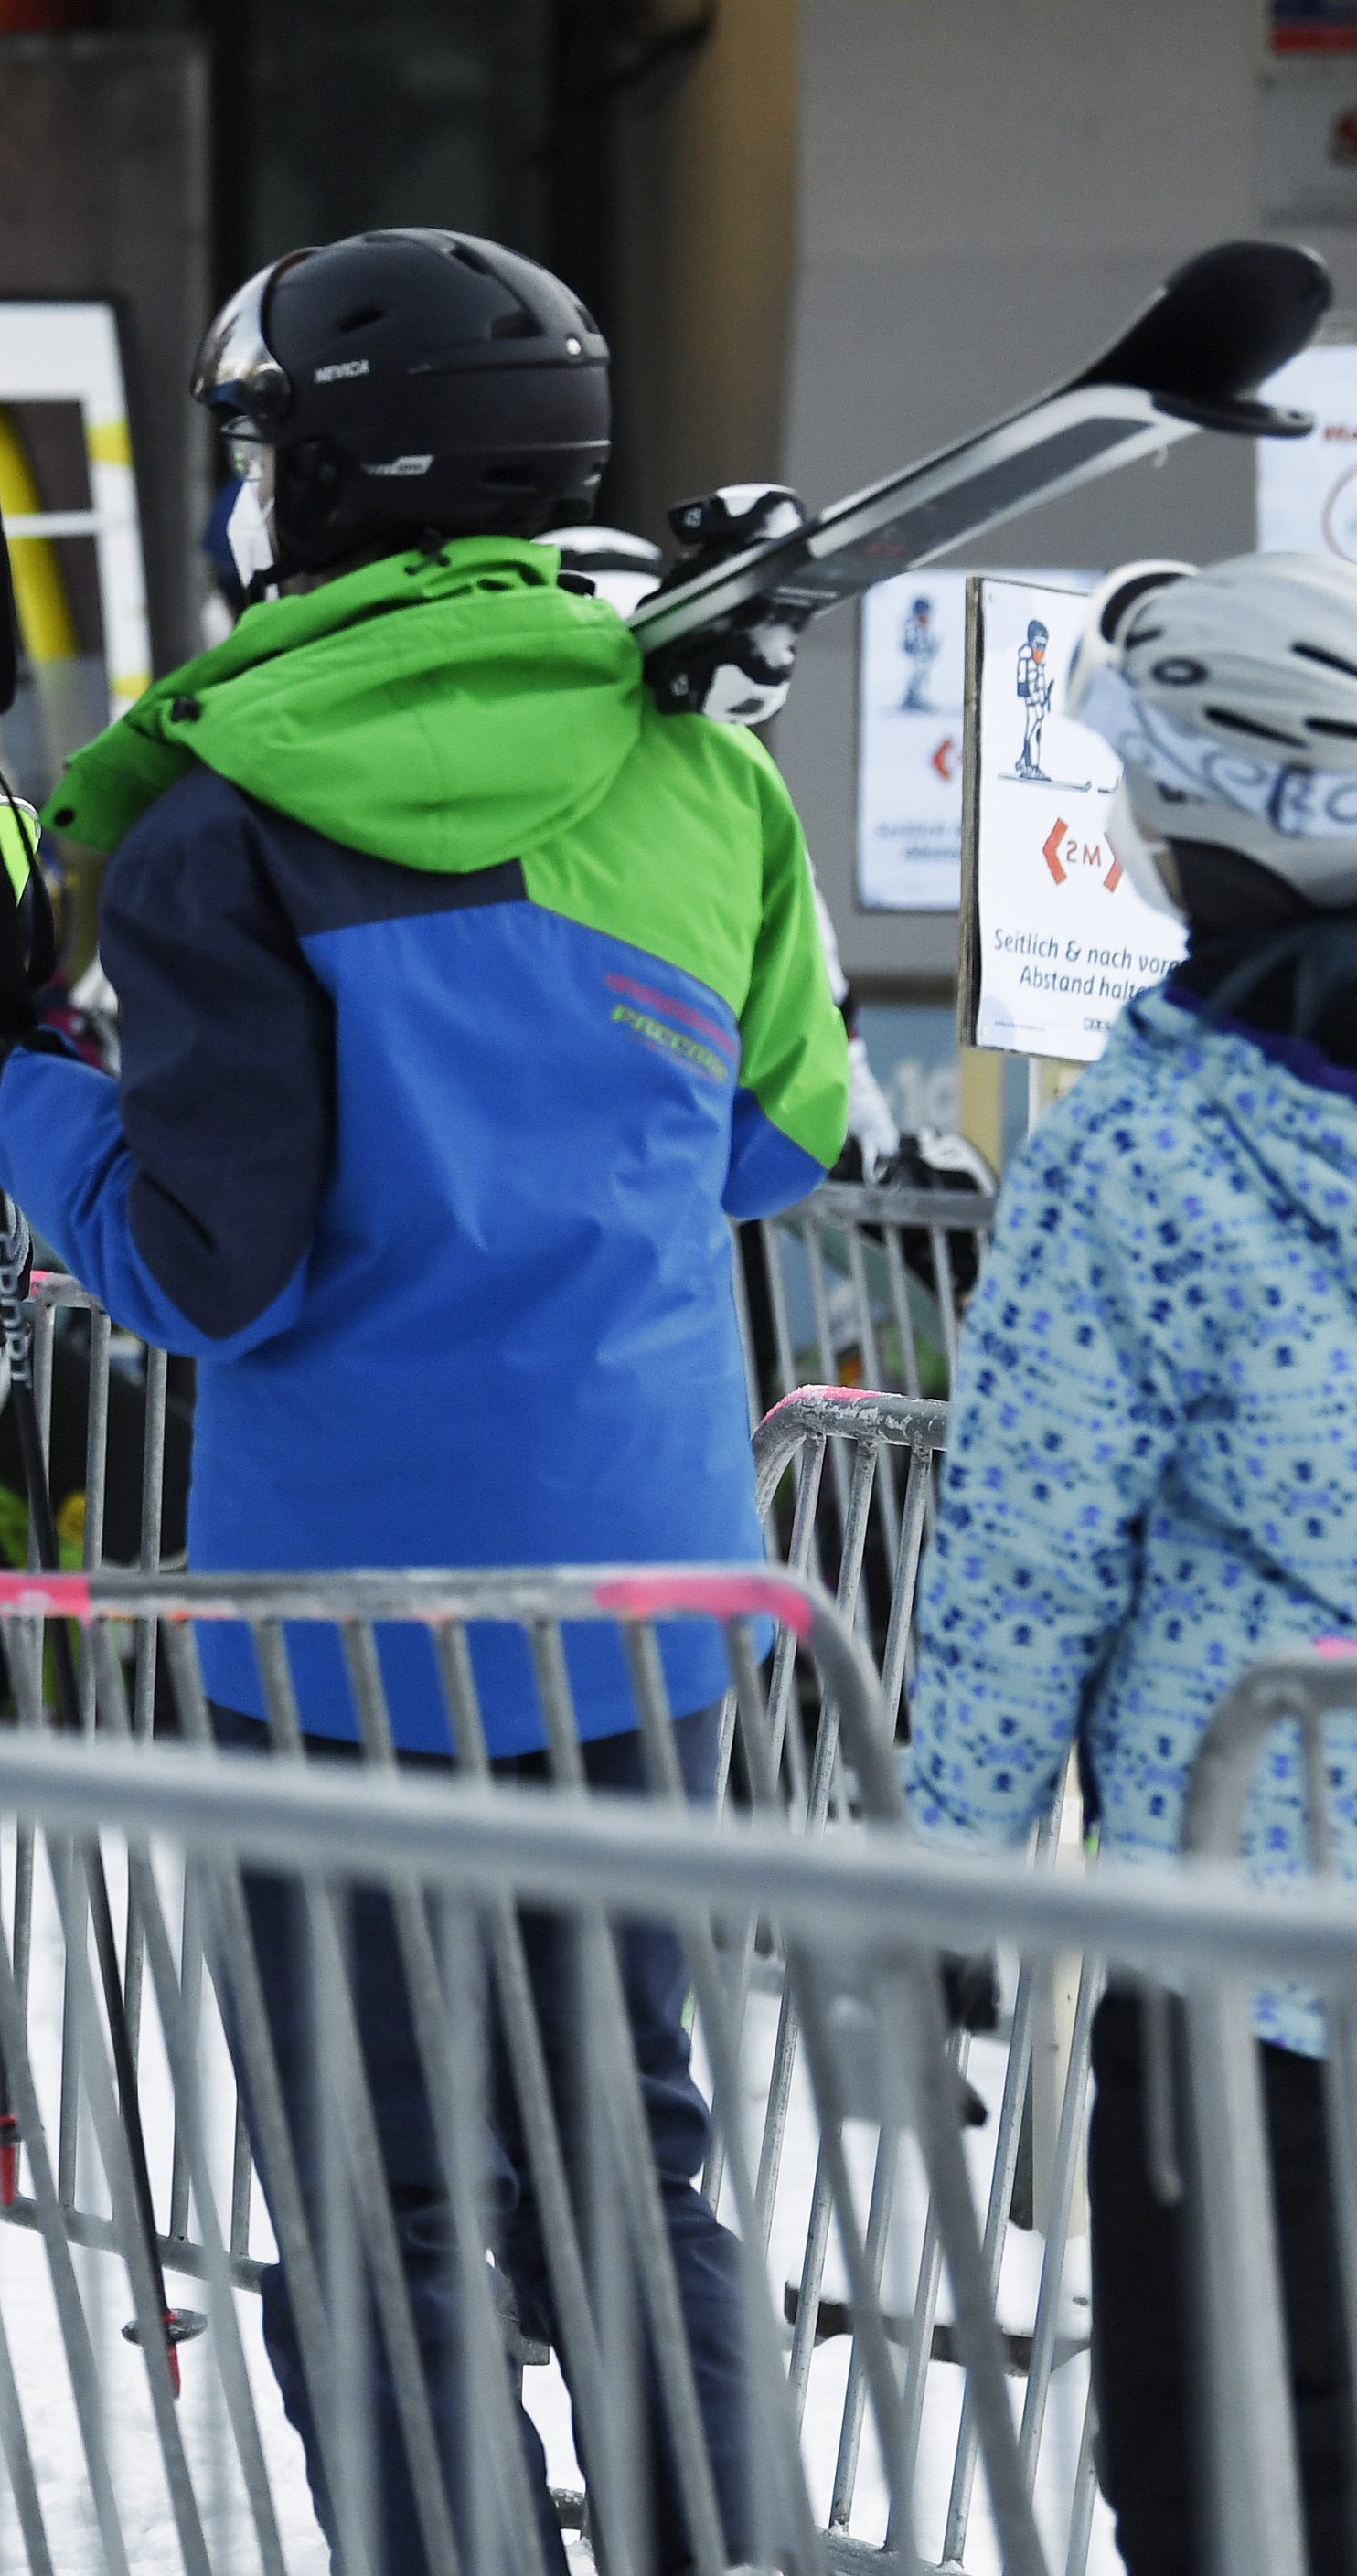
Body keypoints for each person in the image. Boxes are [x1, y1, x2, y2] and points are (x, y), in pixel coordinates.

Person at [0, 230, 849, 2576]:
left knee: (386, 2178)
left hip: (331, 1629)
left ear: (317, 480)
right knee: (635, 2154)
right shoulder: (694, 769)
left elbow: (198, 1265)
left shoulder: (226, 829)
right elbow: (774, 1134)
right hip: (639, 1592)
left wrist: (7, 1083)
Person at [904, 552, 1357, 2576]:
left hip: (1239, 1942)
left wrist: (946, 1869)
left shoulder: (1146, 1146)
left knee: (1224, 2453)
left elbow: (1025, 1553)